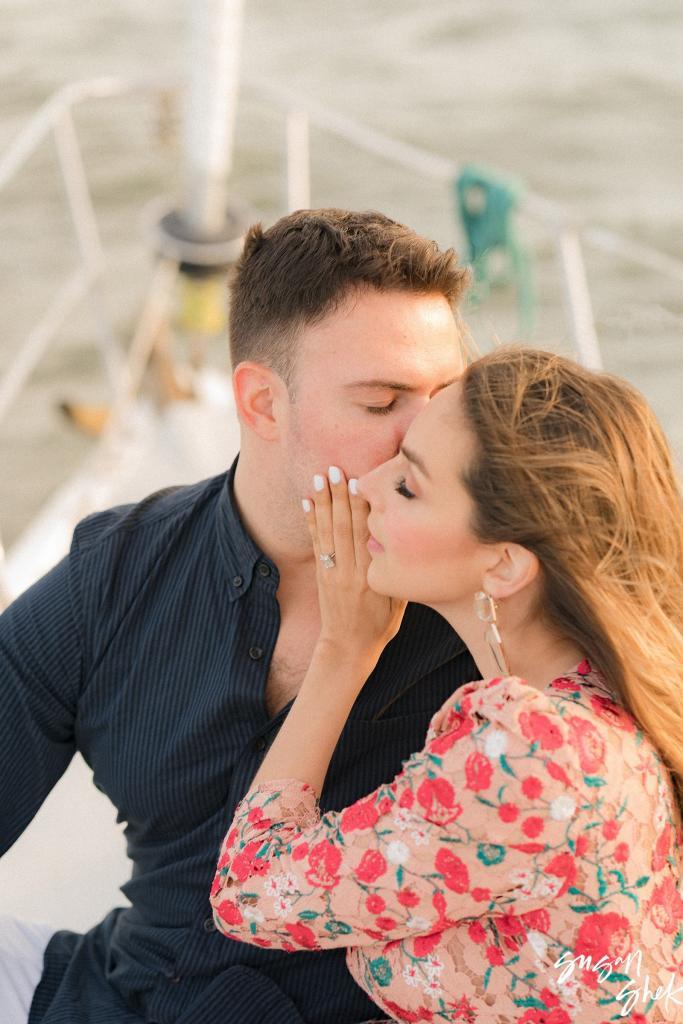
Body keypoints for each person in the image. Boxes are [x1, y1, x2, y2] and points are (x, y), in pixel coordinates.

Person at [0, 208, 478, 1024]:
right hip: (124, 993)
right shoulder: (114, 578)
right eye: (381, 401)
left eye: (446, 397)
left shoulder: (499, 591)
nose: (424, 438)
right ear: (261, 404)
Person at [210, 346, 683, 1024]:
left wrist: (343, 650)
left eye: (407, 486)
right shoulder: (601, 699)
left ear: (502, 567)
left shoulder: (533, 750)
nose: (367, 485)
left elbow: (250, 889)